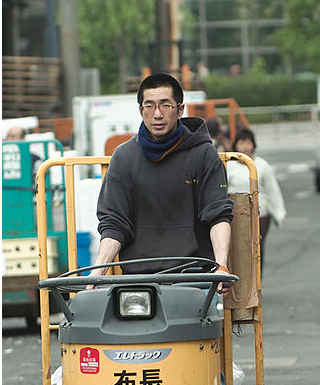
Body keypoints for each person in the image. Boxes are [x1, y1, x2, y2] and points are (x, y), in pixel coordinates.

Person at [94, 72, 233, 284]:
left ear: (180, 110)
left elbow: (217, 215)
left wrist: (221, 265)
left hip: (194, 275)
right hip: (138, 279)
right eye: (149, 106)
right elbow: (114, 223)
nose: (157, 114)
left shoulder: (203, 154)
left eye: (165, 105)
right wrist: (98, 272)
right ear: (141, 111)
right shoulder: (123, 157)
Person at [226, 128, 286, 270]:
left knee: (257, 247)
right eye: (241, 143)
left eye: (248, 143)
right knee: (239, 249)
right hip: (236, 214)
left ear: (253, 145)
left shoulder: (262, 165)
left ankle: (257, 283)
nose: (245, 147)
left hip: (261, 213)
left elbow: (273, 190)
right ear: (236, 145)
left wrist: (279, 212)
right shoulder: (229, 166)